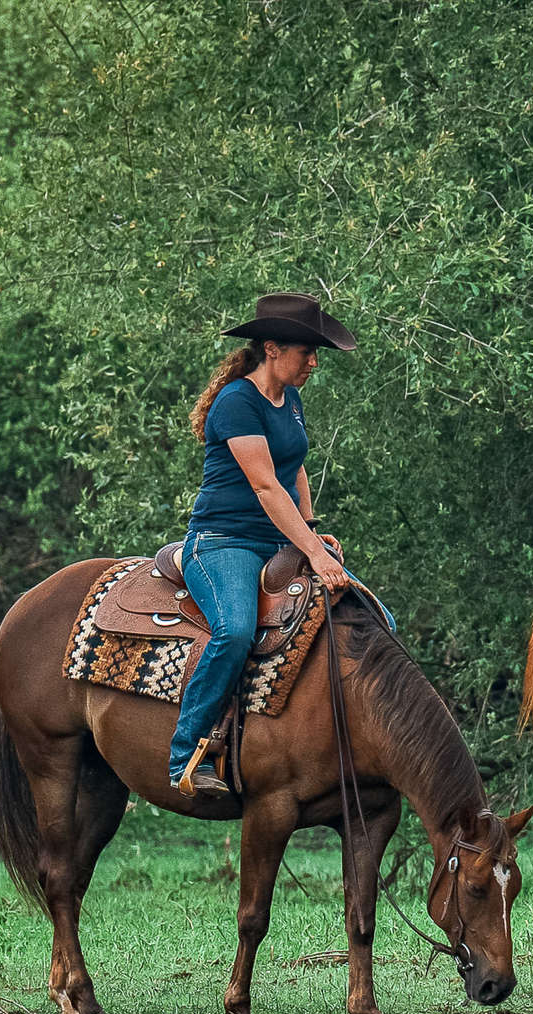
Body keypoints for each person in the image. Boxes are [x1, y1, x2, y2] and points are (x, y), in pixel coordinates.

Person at [169, 293, 355, 797]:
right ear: (272, 349)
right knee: (234, 631)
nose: (314, 363)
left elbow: (293, 468)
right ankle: (186, 755)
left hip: (279, 541)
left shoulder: (288, 400)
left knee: (364, 611)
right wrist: (314, 555)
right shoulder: (236, 402)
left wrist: (312, 530)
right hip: (223, 542)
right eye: (306, 352)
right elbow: (266, 487)